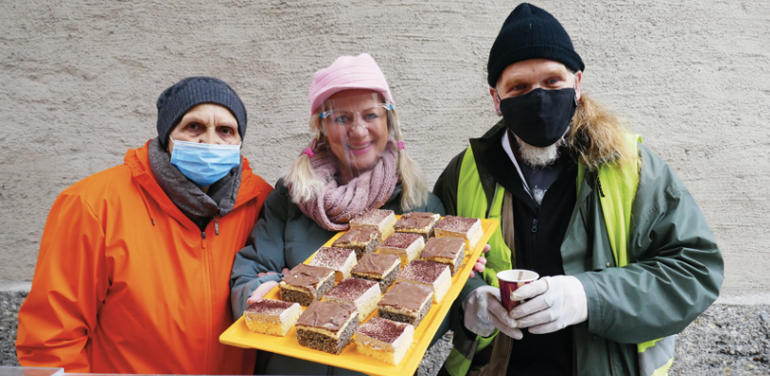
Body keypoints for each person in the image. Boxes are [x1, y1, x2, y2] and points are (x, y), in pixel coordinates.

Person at [434, 4, 724, 376]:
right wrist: (468, 298)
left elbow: (695, 270)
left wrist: (590, 297)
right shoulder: (466, 172)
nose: (538, 99)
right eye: (519, 87)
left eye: (553, 81)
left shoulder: (630, 166)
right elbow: (434, 263)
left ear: (577, 84)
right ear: (496, 99)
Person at [15, 77, 272, 374]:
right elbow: (52, 339)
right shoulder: (92, 205)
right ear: (167, 136)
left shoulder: (261, 203)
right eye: (194, 127)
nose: (209, 141)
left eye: (226, 130)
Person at [230, 53, 445, 375]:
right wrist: (274, 290)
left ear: (389, 120)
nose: (358, 131)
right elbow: (247, 278)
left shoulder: (421, 207)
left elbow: (433, 315)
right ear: (322, 127)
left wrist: (299, 284)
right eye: (342, 118)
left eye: (370, 115)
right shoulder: (291, 197)